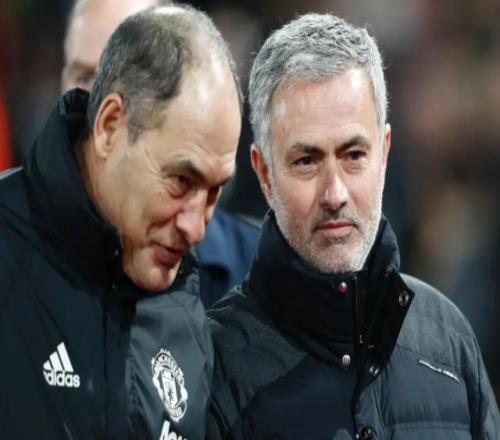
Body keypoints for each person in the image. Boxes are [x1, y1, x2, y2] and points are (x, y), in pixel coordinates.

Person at [207, 13, 500, 440]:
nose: (335, 193)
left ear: (384, 153)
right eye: (306, 161)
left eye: (354, 155)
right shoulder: (215, 368)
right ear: (264, 173)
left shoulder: (448, 339)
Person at [0, 5, 242, 439]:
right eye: (181, 181)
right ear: (110, 126)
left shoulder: (187, 308)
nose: (197, 228)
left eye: (213, 192)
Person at [61, 0, 259, 307]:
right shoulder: (16, 247)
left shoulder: (255, 276)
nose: (96, 99)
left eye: (143, 78)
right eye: (87, 78)